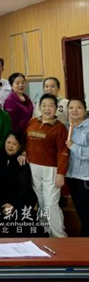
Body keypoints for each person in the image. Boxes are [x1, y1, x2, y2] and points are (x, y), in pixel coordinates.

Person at [24, 94, 69, 238]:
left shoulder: (60, 128)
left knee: (51, 204)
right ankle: (47, 233)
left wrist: (61, 173)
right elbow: (27, 142)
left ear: (56, 108)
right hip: (33, 167)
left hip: (51, 169)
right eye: (44, 105)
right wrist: (24, 153)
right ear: (39, 107)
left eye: (50, 105)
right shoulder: (32, 122)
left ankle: (59, 237)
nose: (47, 109)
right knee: (42, 202)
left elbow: (63, 151)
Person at [0, 133, 37, 235]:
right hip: (3, 198)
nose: (10, 146)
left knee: (20, 212)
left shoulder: (21, 160)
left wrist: (12, 204)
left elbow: (24, 187)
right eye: (8, 142)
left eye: (14, 144)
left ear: (19, 147)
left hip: (20, 199)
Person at [65, 98, 89, 237]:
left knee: (87, 217)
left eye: (78, 107)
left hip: (85, 177)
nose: (74, 110)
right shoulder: (67, 127)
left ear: (85, 110)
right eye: (71, 107)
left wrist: (74, 146)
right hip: (72, 176)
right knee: (81, 214)